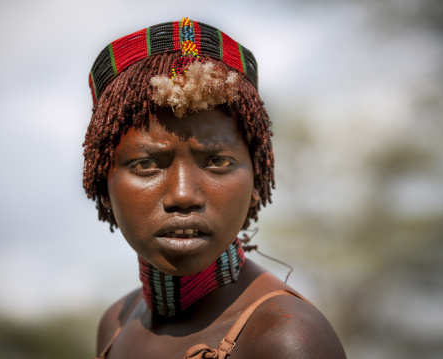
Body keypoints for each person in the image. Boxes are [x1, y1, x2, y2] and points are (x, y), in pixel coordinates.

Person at [83, 18, 347, 359]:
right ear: (103, 185)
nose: (183, 195)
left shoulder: (285, 337)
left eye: (218, 162)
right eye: (146, 164)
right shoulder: (115, 326)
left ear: (257, 178)